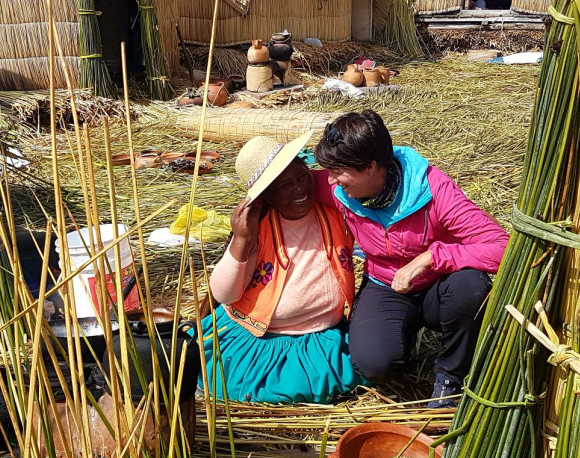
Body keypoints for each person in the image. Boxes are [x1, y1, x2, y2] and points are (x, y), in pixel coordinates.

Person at [313, 110, 508, 408]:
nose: (332, 180)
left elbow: (502, 246)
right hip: (385, 284)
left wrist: (432, 257)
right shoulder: (342, 190)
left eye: (338, 170)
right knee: (376, 364)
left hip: (438, 286)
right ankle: (398, 343)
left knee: (471, 287)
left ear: (370, 167)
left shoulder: (433, 189)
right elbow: (294, 183)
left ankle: (450, 376)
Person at [197, 131, 364, 404]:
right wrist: (240, 240)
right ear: (268, 196)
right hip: (261, 340)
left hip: (325, 336)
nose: (299, 188)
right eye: (285, 185)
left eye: (301, 176)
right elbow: (224, 294)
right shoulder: (256, 227)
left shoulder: (336, 212)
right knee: (285, 390)